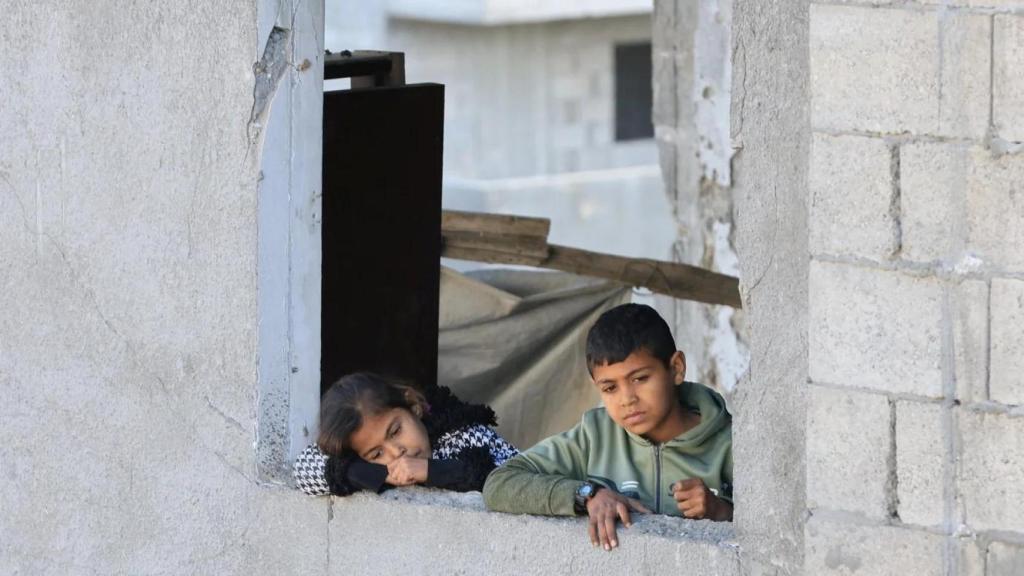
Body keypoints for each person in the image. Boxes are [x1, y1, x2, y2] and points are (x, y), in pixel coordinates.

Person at [482, 303, 733, 551]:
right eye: (610, 388)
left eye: (640, 378)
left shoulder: (730, 445)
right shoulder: (594, 437)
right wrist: (587, 494)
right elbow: (499, 484)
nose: (627, 399)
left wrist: (720, 510)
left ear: (676, 368)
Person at [294, 372, 517, 496]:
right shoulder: (380, 467)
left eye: (395, 431)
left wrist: (430, 470)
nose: (396, 452)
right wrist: (377, 473)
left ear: (413, 405)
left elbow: (510, 479)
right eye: (376, 453)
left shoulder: (465, 432)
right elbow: (303, 469)